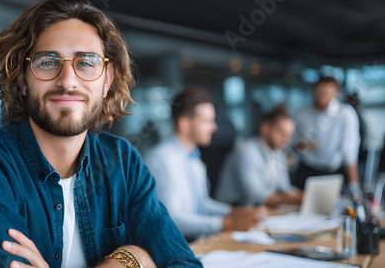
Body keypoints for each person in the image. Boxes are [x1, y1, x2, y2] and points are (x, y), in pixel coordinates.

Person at [0, 0, 201, 268]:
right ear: (22, 79)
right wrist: (133, 260)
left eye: (85, 62)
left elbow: (184, 264)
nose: (67, 81)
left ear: (107, 81)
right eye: (47, 62)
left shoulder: (122, 161)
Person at [145, 89, 264, 241]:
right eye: (207, 121)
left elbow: (202, 204)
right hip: (172, 249)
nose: (214, 128)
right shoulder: (162, 158)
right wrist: (226, 223)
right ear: (185, 123)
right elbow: (171, 219)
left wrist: (236, 212)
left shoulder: (194, 156)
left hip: (198, 244)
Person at [213, 104, 303, 207]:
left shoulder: (278, 152)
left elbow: (285, 188)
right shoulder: (246, 151)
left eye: (289, 135)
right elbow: (255, 195)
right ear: (265, 128)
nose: (286, 139)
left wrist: (305, 195)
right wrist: (297, 199)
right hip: (234, 210)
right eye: (281, 132)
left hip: (258, 210)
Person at [292, 76, 361, 198]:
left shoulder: (345, 114)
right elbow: (291, 145)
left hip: (331, 174)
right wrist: (301, 146)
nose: (322, 96)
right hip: (306, 172)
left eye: (327, 93)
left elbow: (349, 152)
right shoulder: (301, 113)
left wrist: (354, 188)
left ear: (336, 94)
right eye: (320, 92)